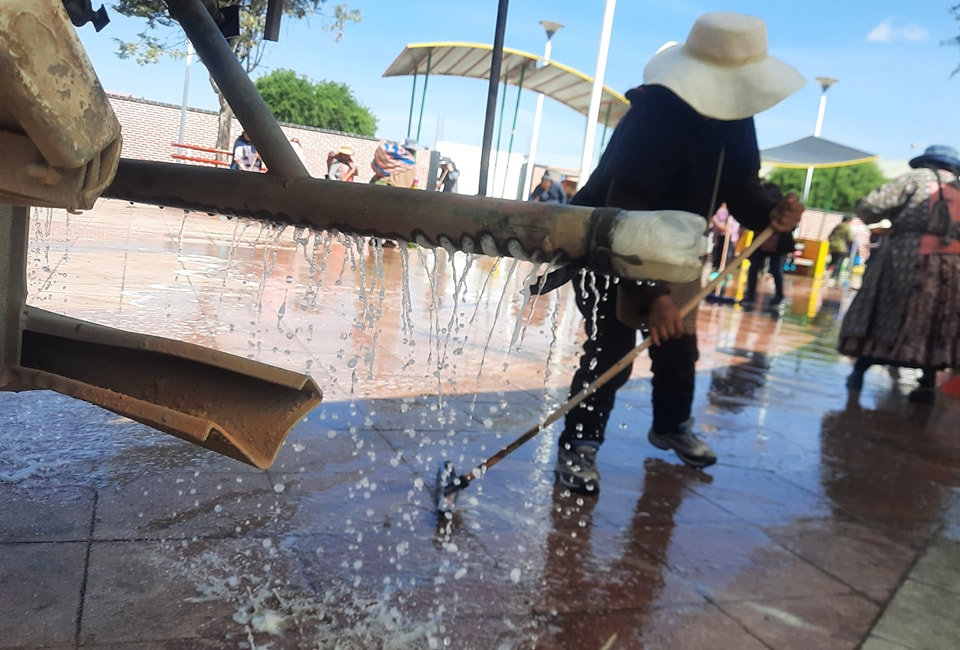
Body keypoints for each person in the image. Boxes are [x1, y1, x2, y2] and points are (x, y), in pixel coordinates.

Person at [550, 12, 805, 494]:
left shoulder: (737, 119)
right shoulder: (655, 114)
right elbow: (628, 204)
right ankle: (578, 445)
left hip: (676, 247)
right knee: (612, 352)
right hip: (609, 240)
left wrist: (774, 213)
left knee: (678, 349)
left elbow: (743, 191)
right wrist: (653, 296)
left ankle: (670, 424)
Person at [840, 144, 960, 404]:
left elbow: (870, 206)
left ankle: (859, 370)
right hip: (952, 265)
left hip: (907, 256)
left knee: (888, 312)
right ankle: (927, 382)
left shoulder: (915, 179)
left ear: (926, 162)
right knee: (937, 320)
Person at [740, 229, 796, 309]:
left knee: (776, 270)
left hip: (779, 241)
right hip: (762, 239)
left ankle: (779, 296)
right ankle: (750, 295)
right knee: (754, 268)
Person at [710, 202, 740, 270]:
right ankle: (717, 268)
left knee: (729, 255)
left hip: (731, 237)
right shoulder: (720, 211)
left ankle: (726, 270)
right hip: (721, 236)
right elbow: (716, 220)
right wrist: (722, 227)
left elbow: (736, 225)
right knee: (718, 254)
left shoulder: (734, 212)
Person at [827, 215, 854, 280]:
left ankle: (825, 272)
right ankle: (834, 276)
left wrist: (832, 242)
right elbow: (850, 238)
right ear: (849, 221)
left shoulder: (837, 226)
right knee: (838, 262)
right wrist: (854, 237)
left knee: (833, 261)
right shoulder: (847, 227)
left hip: (833, 246)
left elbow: (829, 236)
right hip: (841, 247)